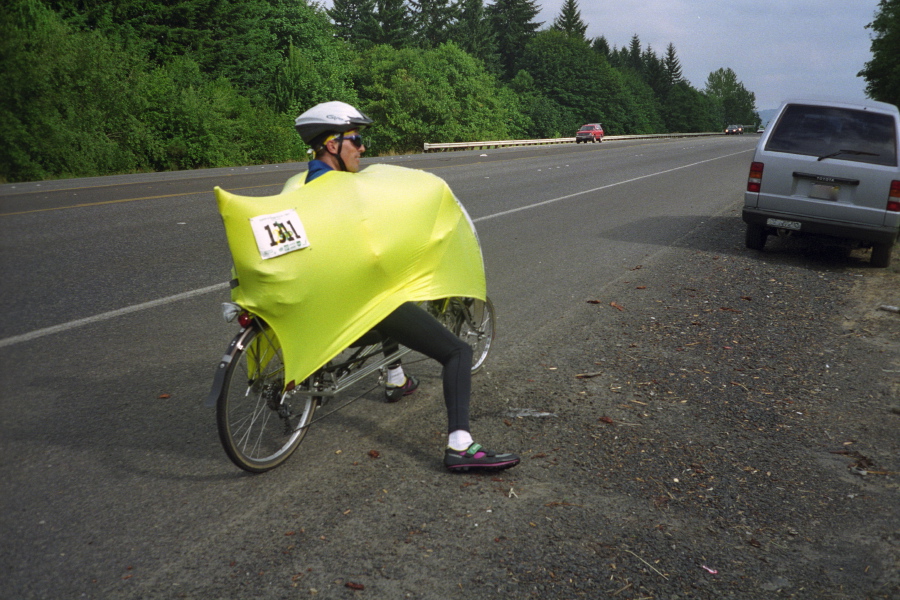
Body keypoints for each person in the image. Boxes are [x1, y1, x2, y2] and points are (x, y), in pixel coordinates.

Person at [292, 101, 520, 472]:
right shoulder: (344, 192)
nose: (363, 148)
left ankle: (396, 379)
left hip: (324, 311)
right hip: (359, 309)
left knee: (393, 298)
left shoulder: (302, 186)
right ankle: (460, 446)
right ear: (332, 145)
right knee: (457, 352)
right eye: (356, 139)